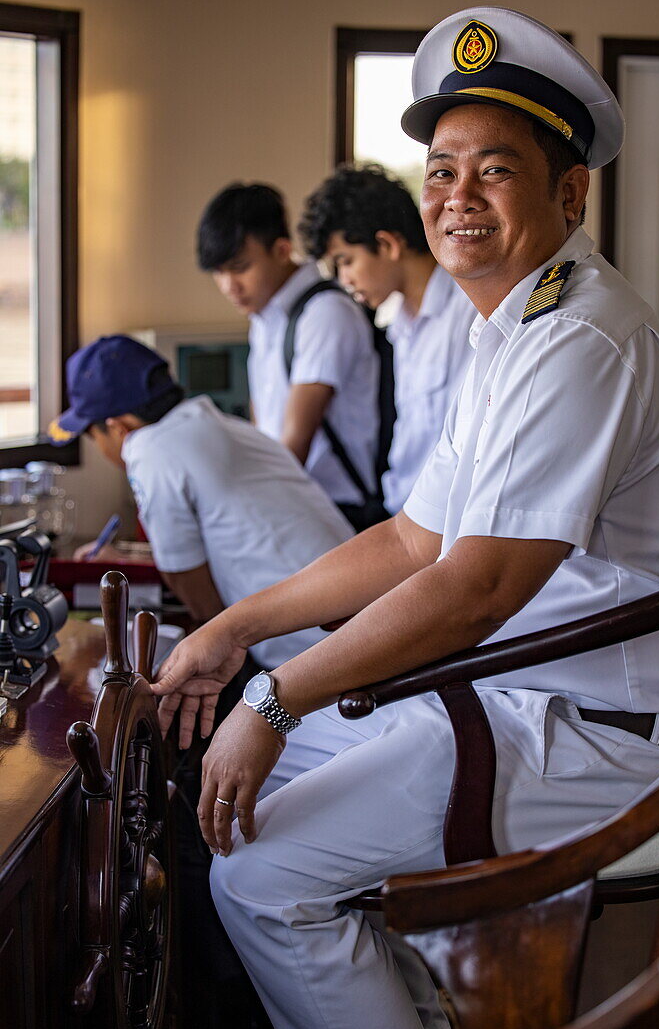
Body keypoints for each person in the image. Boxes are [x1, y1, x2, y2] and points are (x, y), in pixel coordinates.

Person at [151, 9, 659, 1029]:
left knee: (260, 873)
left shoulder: (577, 336)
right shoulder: (504, 327)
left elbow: (471, 587)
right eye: (441, 170)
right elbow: (410, 537)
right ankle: (407, 1025)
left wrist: (270, 697)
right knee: (261, 785)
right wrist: (233, 630)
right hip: (529, 689)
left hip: (603, 731)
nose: (456, 197)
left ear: (570, 195)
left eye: (495, 171)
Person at [47, 334, 354, 681]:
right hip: (357, 620)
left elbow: (189, 581)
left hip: (309, 653)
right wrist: (127, 559)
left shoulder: (151, 450)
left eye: (94, 436)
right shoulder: (222, 426)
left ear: (118, 428)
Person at [197, 182, 383, 530]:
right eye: (219, 272)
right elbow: (262, 427)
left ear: (282, 250)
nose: (228, 286)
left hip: (339, 513)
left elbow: (293, 445)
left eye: (239, 267)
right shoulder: (263, 320)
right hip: (292, 504)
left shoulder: (325, 313)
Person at [300, 164, 476, 514]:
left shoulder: (469, 311)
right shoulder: (400, 328)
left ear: (387, 244)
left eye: (345, 261)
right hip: (403, 514)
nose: (344, 280)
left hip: (448, 524)